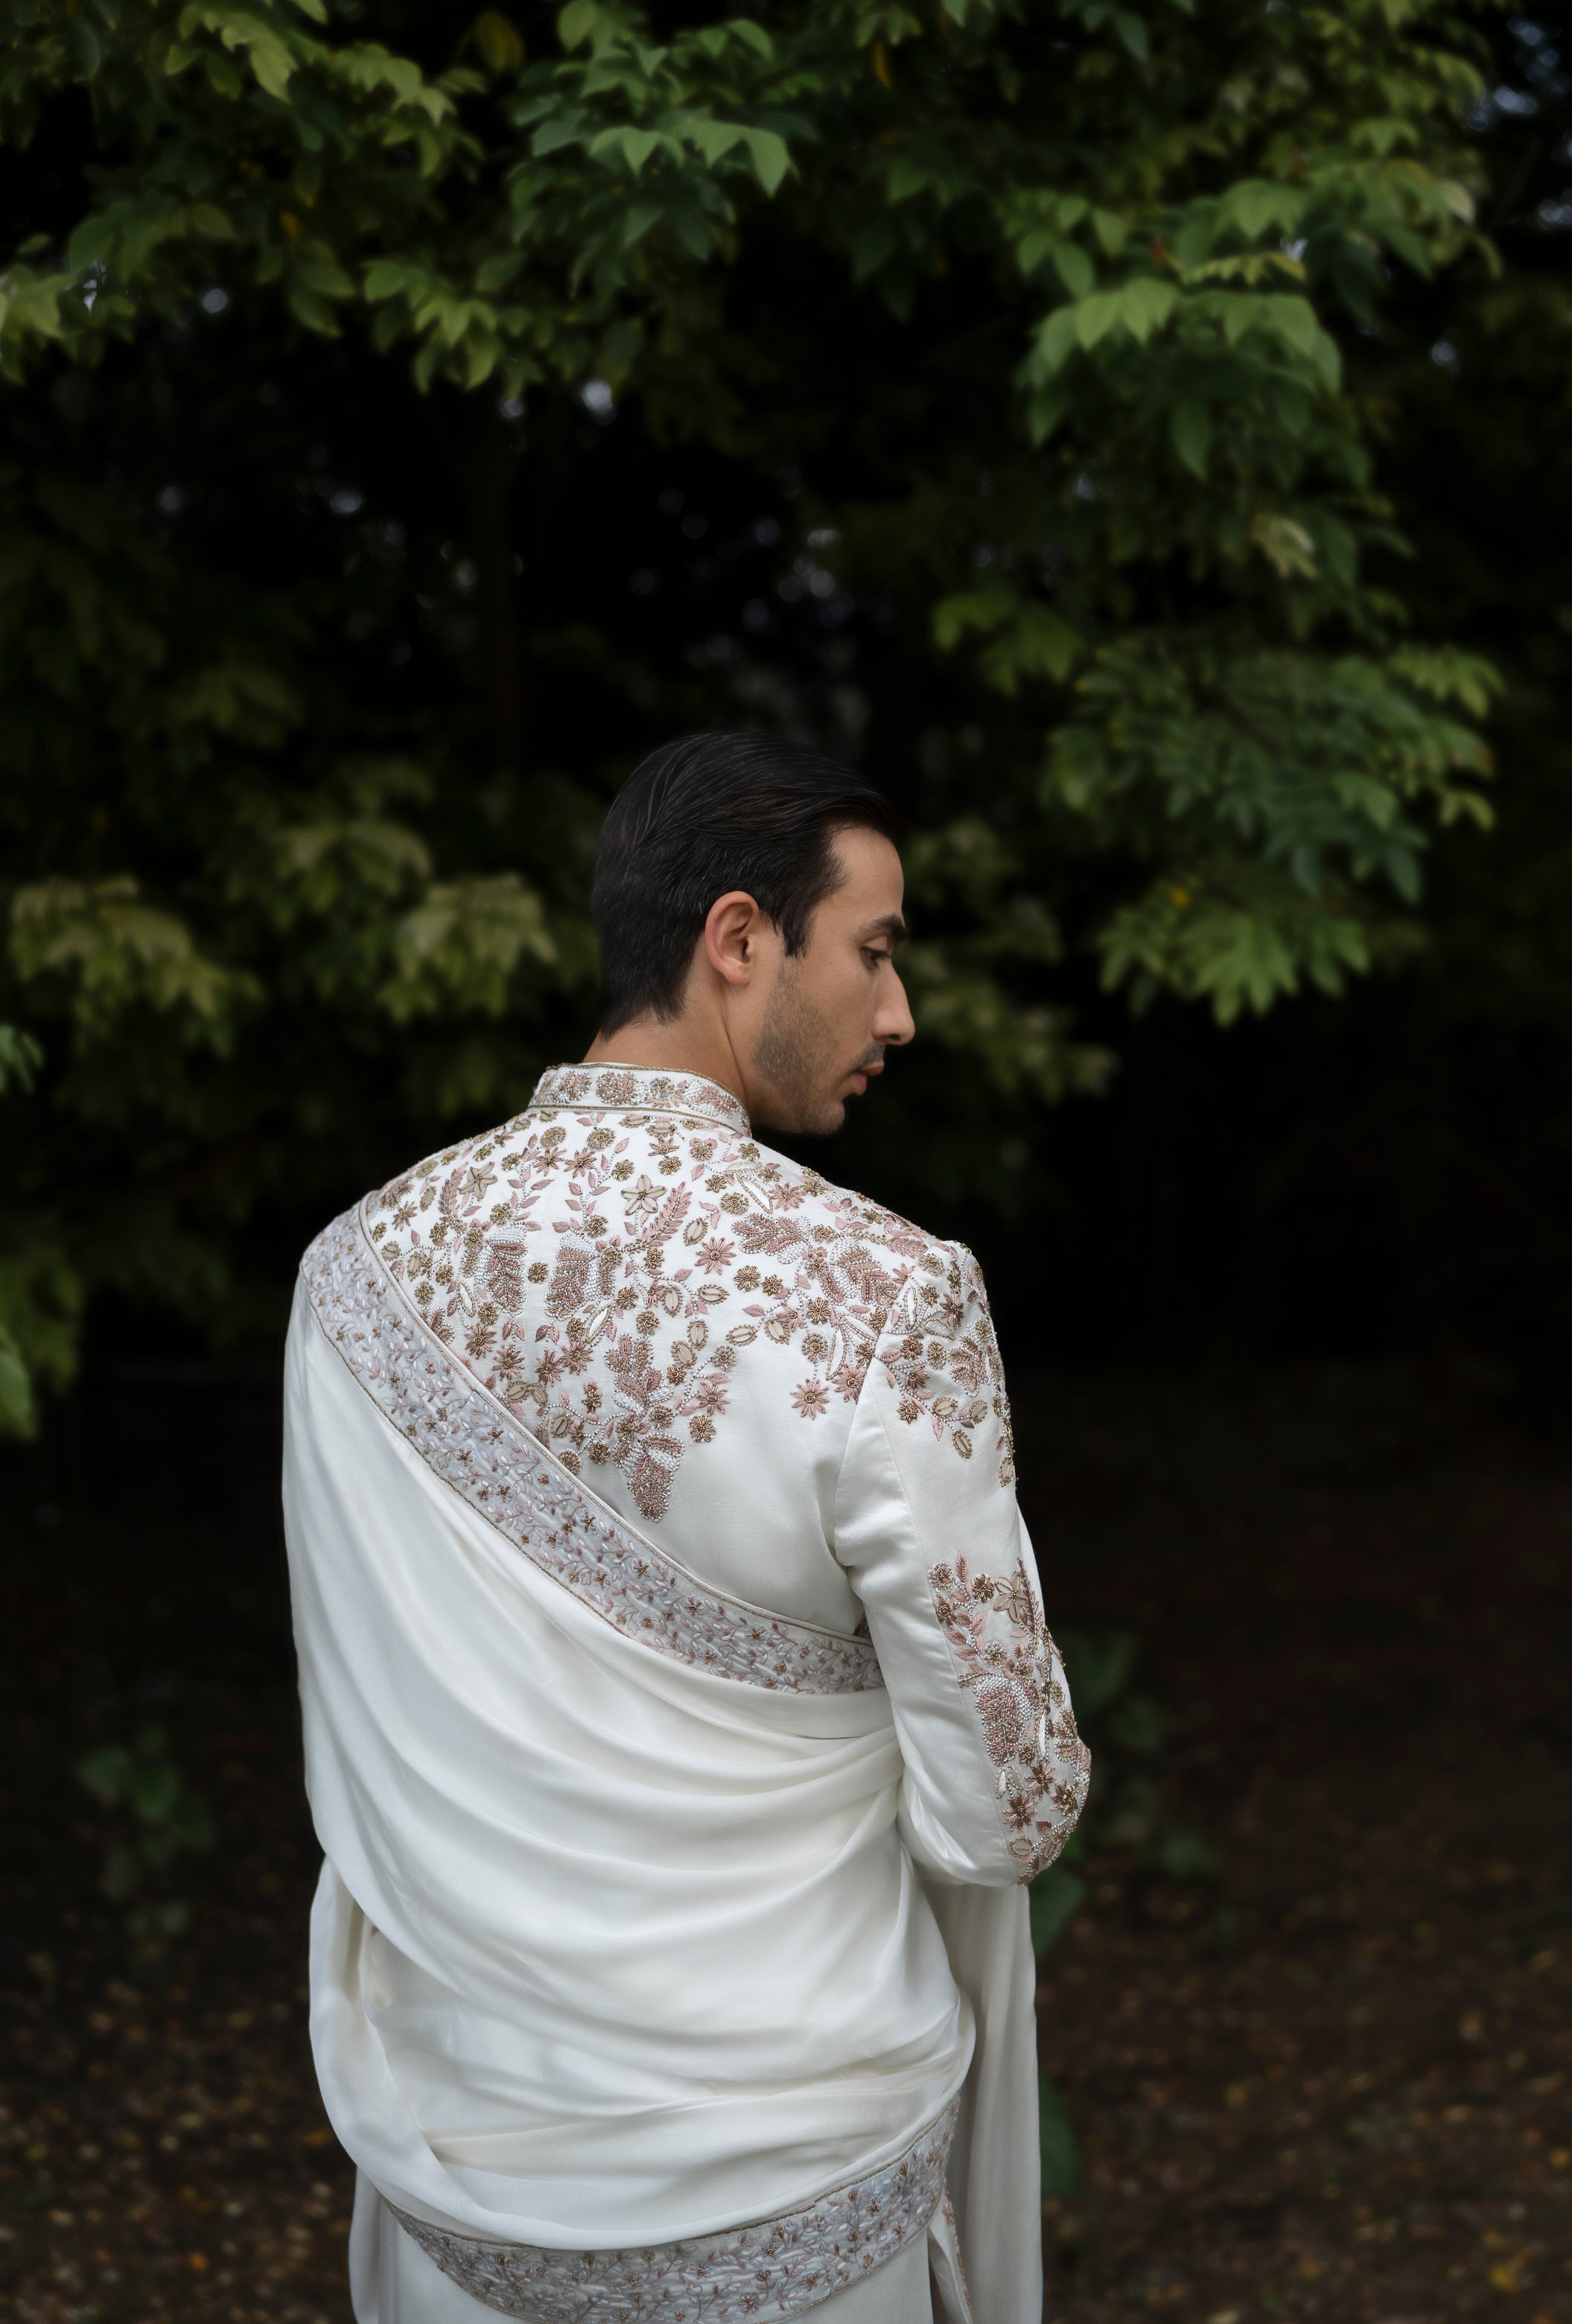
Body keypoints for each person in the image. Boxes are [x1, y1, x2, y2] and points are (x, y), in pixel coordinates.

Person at [283, 731, 1089, 2324]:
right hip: (794, 2198)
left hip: (457, 2188)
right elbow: (1011, 1805)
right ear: (738, 940)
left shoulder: (351, 1278)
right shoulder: (879, 1295)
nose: (898, 1011)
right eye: (871, 951)